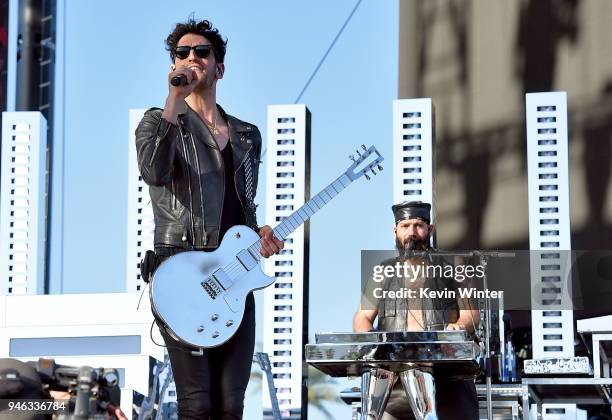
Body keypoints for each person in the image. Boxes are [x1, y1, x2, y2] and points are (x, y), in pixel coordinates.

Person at [135, 18, 283, 419]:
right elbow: (154, 171)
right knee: (197, 402)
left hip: (233, 276)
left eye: (201, 52)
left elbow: (243, 204)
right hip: (180, 272)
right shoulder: (158, 121)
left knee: (231, 403)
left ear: (220, 67)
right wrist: (174, 98)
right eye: (181, 53)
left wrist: (260, 234)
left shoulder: (246, 134)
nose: (191, 58)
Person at [353, 201, 480, 420]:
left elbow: (472, 314)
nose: (412, 233)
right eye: (405, 226)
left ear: (430, 230)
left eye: (418, 225)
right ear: (395, 231)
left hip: (448, 378)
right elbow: (362, 317)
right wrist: (373, 340)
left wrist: (458, 327)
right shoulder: (382, 271)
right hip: (395, 383)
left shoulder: (453, 266)